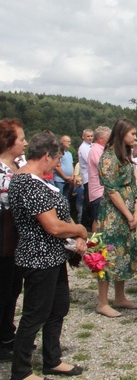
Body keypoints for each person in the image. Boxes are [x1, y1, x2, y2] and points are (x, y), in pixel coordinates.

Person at [8, 132, 88, 379]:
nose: (56, 165)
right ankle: (21, 370)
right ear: (45, 156)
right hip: (38, 258)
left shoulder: (36, 180)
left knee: (57, 308)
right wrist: (80, 229)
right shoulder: (27, 183)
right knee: (35, 314)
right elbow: (52, 226)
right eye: (56, 160)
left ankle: (52, 360)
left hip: (52, 256)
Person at [96, 118, 137, 318]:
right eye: (132, 133)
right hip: (113, 216)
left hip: (127, 211)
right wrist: (129, 213)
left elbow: (132, 185)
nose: (135, 137)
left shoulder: (125, 156)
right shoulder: (108, 157)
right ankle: (102, 302)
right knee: (108, 255)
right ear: (122, 133)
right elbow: (112, 191)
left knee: (124, 255)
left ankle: (120, 297)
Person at [0, 119, 26, 362]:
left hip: (16, 239)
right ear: (8, 143)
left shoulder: (20, 165)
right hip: (3, 237)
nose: (25, 143)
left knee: (13, 289)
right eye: (21, 139)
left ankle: (7, 334)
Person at [86, 126, 111, 233]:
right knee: (98, 219)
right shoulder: (97, 150)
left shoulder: (100, 150)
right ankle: (95, 244)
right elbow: (104, 168)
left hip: (101, 190)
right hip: (98, 191)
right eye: (108, 137)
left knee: (101, 218)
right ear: (101, 139)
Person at [78, 129, 93, 222]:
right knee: (88, 200)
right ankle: (85, 222)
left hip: (92, 177)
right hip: (87, 177)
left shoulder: (91, 146)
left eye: (91, 136)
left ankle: (89, 221)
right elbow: (90, 160)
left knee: (91, 200)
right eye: (88, 136)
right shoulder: (83, 148)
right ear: (83, 137)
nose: (90, 138)